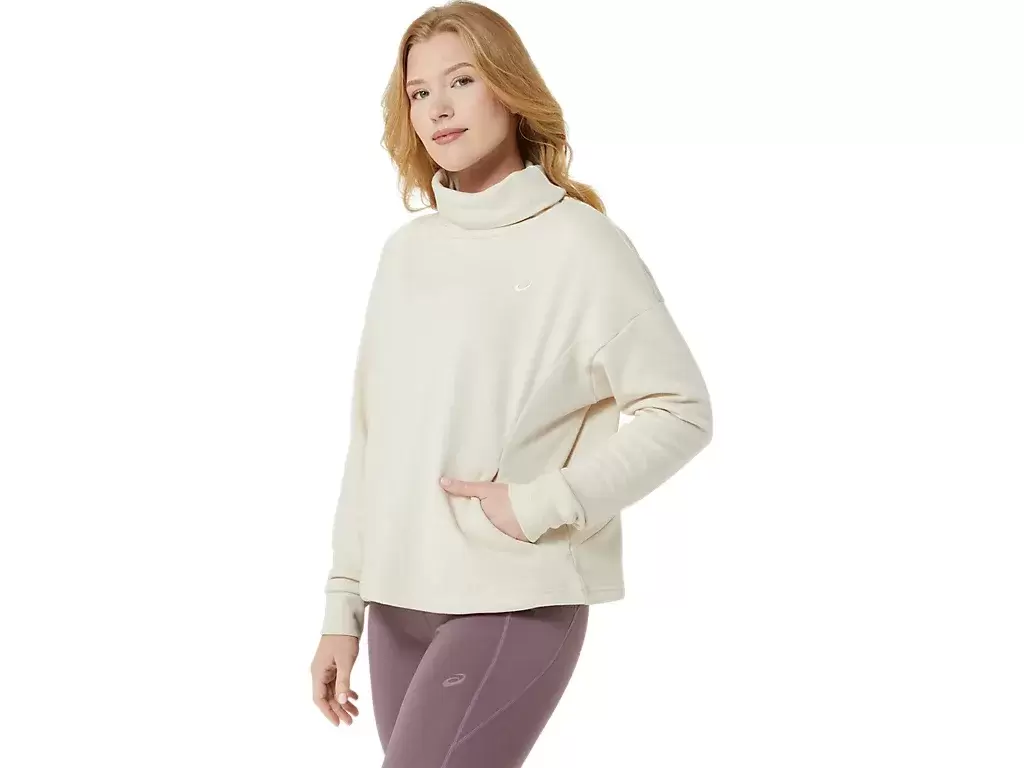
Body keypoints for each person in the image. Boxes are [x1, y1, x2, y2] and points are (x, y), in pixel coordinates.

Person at [310, 2, 713, 765]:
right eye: (420, 92)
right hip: (397, 602)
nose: (439, 107)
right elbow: (371, 439)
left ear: (509, 87)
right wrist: (343, 605)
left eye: (462, 80)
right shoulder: (407, 254)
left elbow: (682, 411)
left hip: (513, 597)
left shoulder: (581, 245)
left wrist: (540, 504)